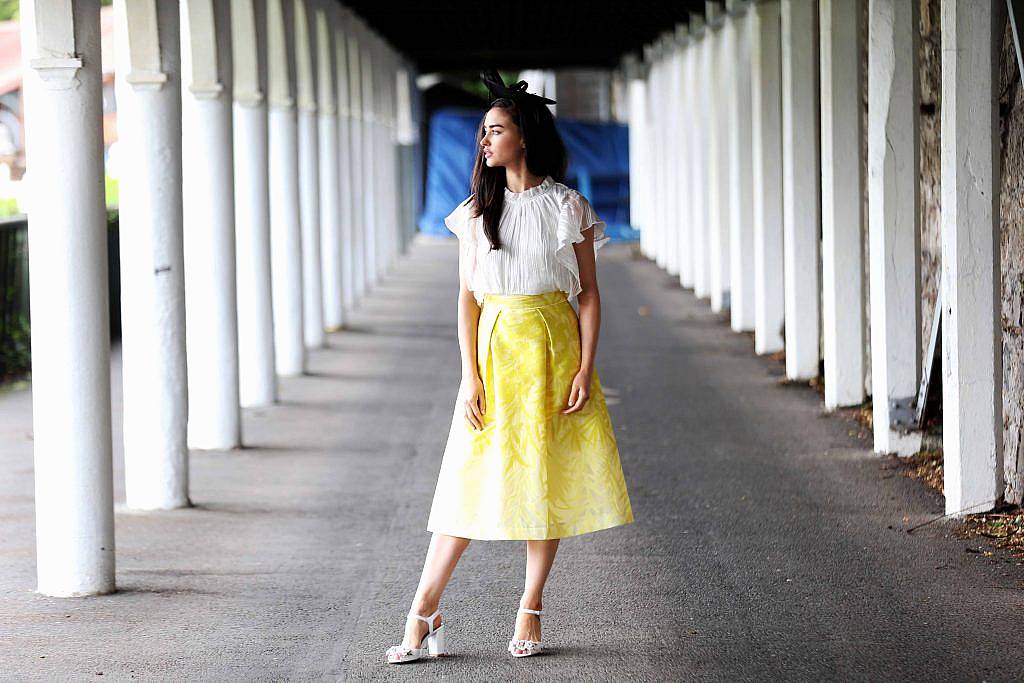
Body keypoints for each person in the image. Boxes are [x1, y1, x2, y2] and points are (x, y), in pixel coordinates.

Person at [385, 70, 634, 665]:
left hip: (554, 350)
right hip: (494, 354)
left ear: (524, 137)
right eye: (481, 133)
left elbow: (590, 294)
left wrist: (584, 368)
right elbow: (468, 298)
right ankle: (423, 610)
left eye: (494, 130)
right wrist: (469, 374)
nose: (484, 142)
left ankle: (531, 605)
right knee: (466, 481)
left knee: (542, 479)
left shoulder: (567, 206)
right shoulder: (476, 212)